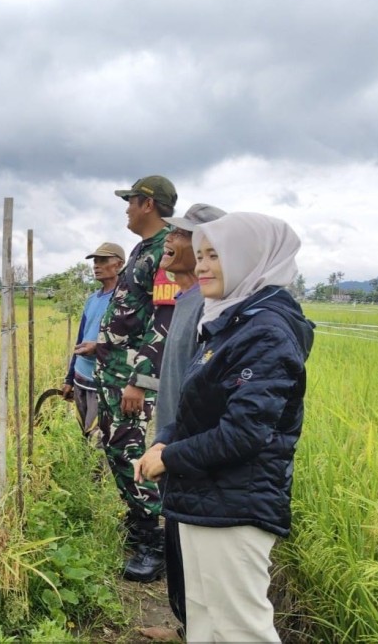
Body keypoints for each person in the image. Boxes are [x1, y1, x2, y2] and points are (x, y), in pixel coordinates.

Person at [136, 212, 315, 642]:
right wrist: (165, 439)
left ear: (248, 257)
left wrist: (168, 456)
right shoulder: (229, 321)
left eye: (214, 255)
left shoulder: (266, 331)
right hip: (205, 495)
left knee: (239, 630)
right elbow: (202, 408)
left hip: (235, 504)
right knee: (205, 621)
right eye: (200, 256)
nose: (201, 266)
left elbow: (244, 432)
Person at [86, 174, 176, 582]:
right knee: (117, 449)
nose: (126, 208)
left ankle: (154, 542)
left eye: (131, 200)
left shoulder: (167, 250)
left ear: (148, 204)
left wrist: (140, 380)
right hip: (113, 370)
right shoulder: (143, 248)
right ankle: (140, 524)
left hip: (130, 377)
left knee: (130, 452)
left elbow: (164, 320)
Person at [148, 203, 227, 632]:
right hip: (176, 442)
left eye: (181, 235)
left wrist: (176, 444)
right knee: (177, 540)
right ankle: (184, 626)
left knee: (194, 550)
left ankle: (190, 627)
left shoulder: (211, 304)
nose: (170, 240)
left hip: (191, 449)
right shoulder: (188, 298)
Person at [61, 242, 125, 441]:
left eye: (103, 260)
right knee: (84, 436)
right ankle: (87, 472)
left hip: (104, 382)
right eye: (95, 261)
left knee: (100, 439)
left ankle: (101, 473)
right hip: (81, 377)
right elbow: (81, 339)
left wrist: (98, 349)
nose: (96, 265)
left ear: (119, 265)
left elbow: (131, 342)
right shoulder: (92, 299)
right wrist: (69, 379)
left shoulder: (125, 301)